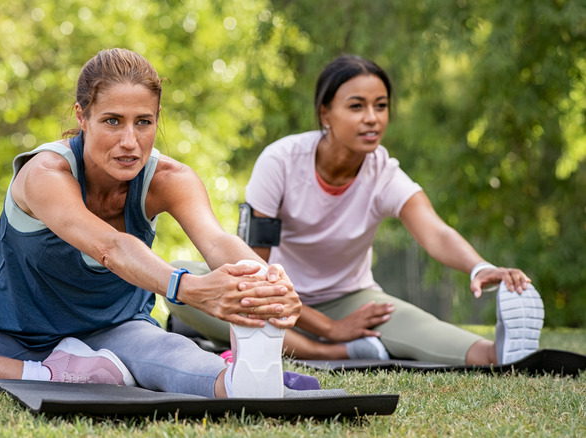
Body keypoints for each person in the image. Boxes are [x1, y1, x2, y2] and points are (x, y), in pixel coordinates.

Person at [0, 48, 307, 398]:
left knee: (173, 359)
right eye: (112, 120)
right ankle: (49, 375)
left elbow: (217, 240)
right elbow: (109, 247)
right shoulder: (45, 174)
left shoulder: (170, 178)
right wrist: (187, 287)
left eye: (144, 122)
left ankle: (244, 377)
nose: (130, 142)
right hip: (9, 334)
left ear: (158, 120)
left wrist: (267, 280)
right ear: (83, 116)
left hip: (115, 331)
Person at [167, 54, 544, 366]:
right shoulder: (280, 162)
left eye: (381, 106)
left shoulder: (383, 172)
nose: (372, 118)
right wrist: (331, 330)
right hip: (276, 295)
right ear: (325, 113)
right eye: (357, 106)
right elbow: (254, 271)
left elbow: (435, 231)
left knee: (469, 350)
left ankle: (503, 352)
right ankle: (327, 352)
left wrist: (481, 267)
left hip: (351, 298)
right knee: (185, 283)